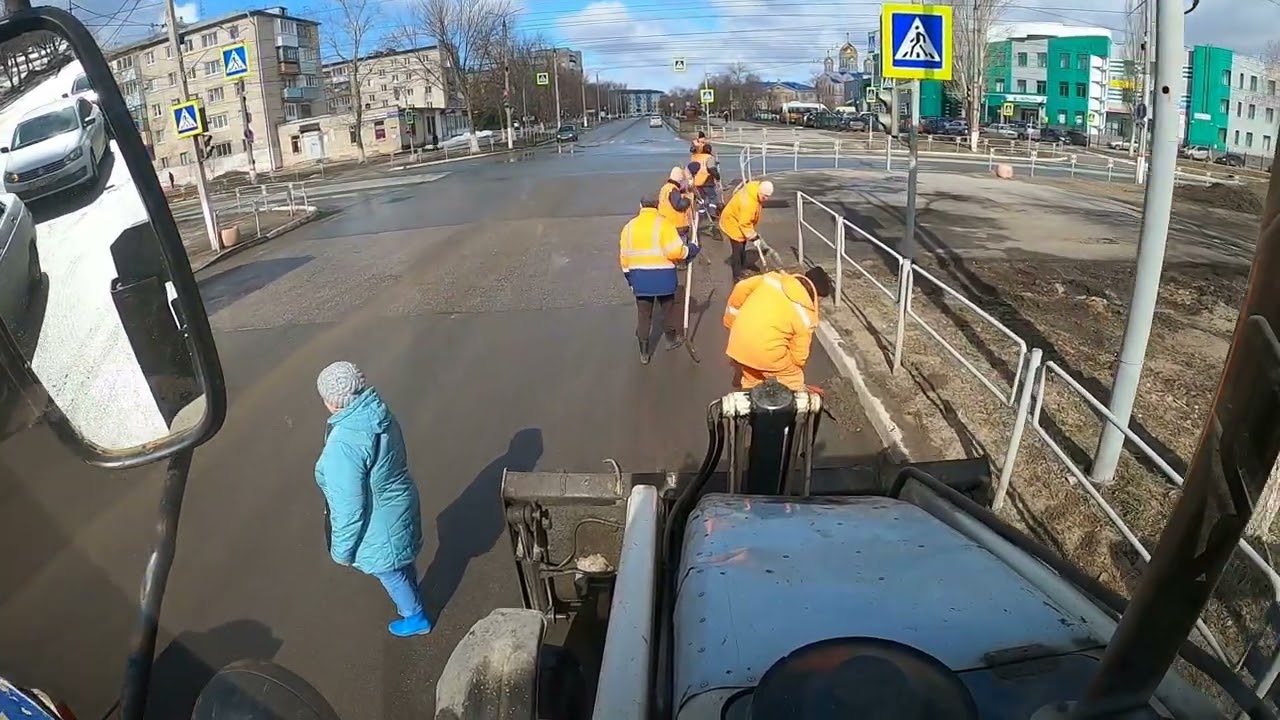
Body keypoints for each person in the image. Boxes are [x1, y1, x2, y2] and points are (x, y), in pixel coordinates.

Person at [314, 361, 432, 638]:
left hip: (377, 521)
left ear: (332, 402)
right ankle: (412, 590)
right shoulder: (378, 414)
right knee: (400, 560)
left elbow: (349, 507)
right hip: (399, 502)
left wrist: (341, 551)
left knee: (388, 572)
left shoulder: (344, 444)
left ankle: (415, 617)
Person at [723, 267, 834, 391]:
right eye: (820, 299)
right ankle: (791, 400)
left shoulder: (771, 279)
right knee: (794, 378)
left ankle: (750, 394)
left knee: (752, 376)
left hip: (737, 345)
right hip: (766, 354)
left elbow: (740, 288)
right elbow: (799, 357)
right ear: (816, 295)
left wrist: (731, 323)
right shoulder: (805, 315)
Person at [620, 194, 701, 363]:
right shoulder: (664, 225)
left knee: (644, 315)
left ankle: (644, 352)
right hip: (664, 277)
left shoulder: (629, 227)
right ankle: (671, 340)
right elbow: (676, 251)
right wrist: (691, 250)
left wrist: (630, 279)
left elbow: (624, 258)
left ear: (641, 205)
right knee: (667, 310)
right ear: (656, 205)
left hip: (640, 278)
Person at [719, 179, 774, 281]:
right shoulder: (749, 204)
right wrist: (754, 237)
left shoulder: (754, 187)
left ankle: (743, 266)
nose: (766, 199)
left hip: (737, 218)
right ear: (760, 192)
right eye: (764, 196)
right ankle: (737, 275)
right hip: (732, 223)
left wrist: (752, 236)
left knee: (742, 244)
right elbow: (744, 224)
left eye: (768, 197)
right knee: (737, 249)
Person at [658, 166, 694, 242]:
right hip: (677, 225)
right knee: (680, 246)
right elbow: (679, 206)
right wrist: (688, 199)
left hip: (666, 223)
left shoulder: (665, 188)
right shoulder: (673, 190)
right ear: (680, 180)